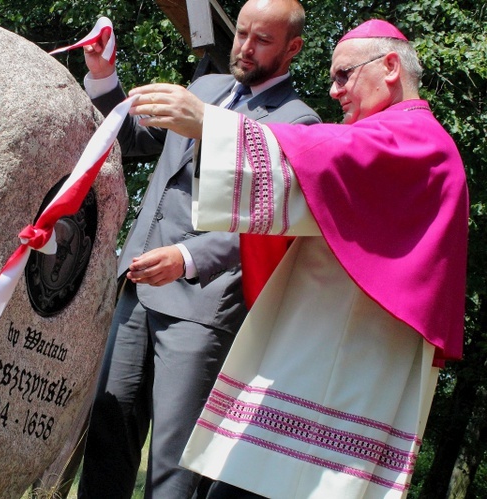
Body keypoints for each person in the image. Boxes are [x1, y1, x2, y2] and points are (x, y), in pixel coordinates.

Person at [126, 19, 468, 498]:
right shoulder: (389, 136)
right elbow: (318, 174)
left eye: (344, 75)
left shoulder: (418, 141)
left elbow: (326, 155)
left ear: (390, 66)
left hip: (347, 366)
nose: (334, 91)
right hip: (311, 353)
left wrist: (211, 123)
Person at [77, 1, 320, 497]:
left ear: (293, 48)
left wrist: (187, 259)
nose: (245, 48)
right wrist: (104, 77)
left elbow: (272, 218)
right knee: (106, 430)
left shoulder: (300, 124)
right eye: (242, 34)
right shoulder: (205, 87)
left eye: (262, 40)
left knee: (174, 462)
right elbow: (133, 137)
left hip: (201, 303)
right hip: (136, 288)